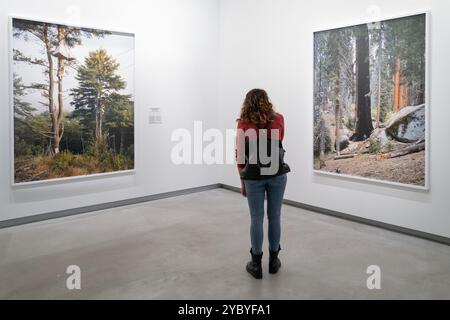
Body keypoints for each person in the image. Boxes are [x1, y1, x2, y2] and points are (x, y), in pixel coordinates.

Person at [236, 89, 289, 279]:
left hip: (253, 176)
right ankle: (274, 261)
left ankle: (256, 264)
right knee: (274, 217)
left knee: (256, 218)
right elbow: (279, 141)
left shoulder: (243, 124)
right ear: (267, 101)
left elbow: (240, 156)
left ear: (247, 103)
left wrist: (243, 181)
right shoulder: (279, 119)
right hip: (276, 173)